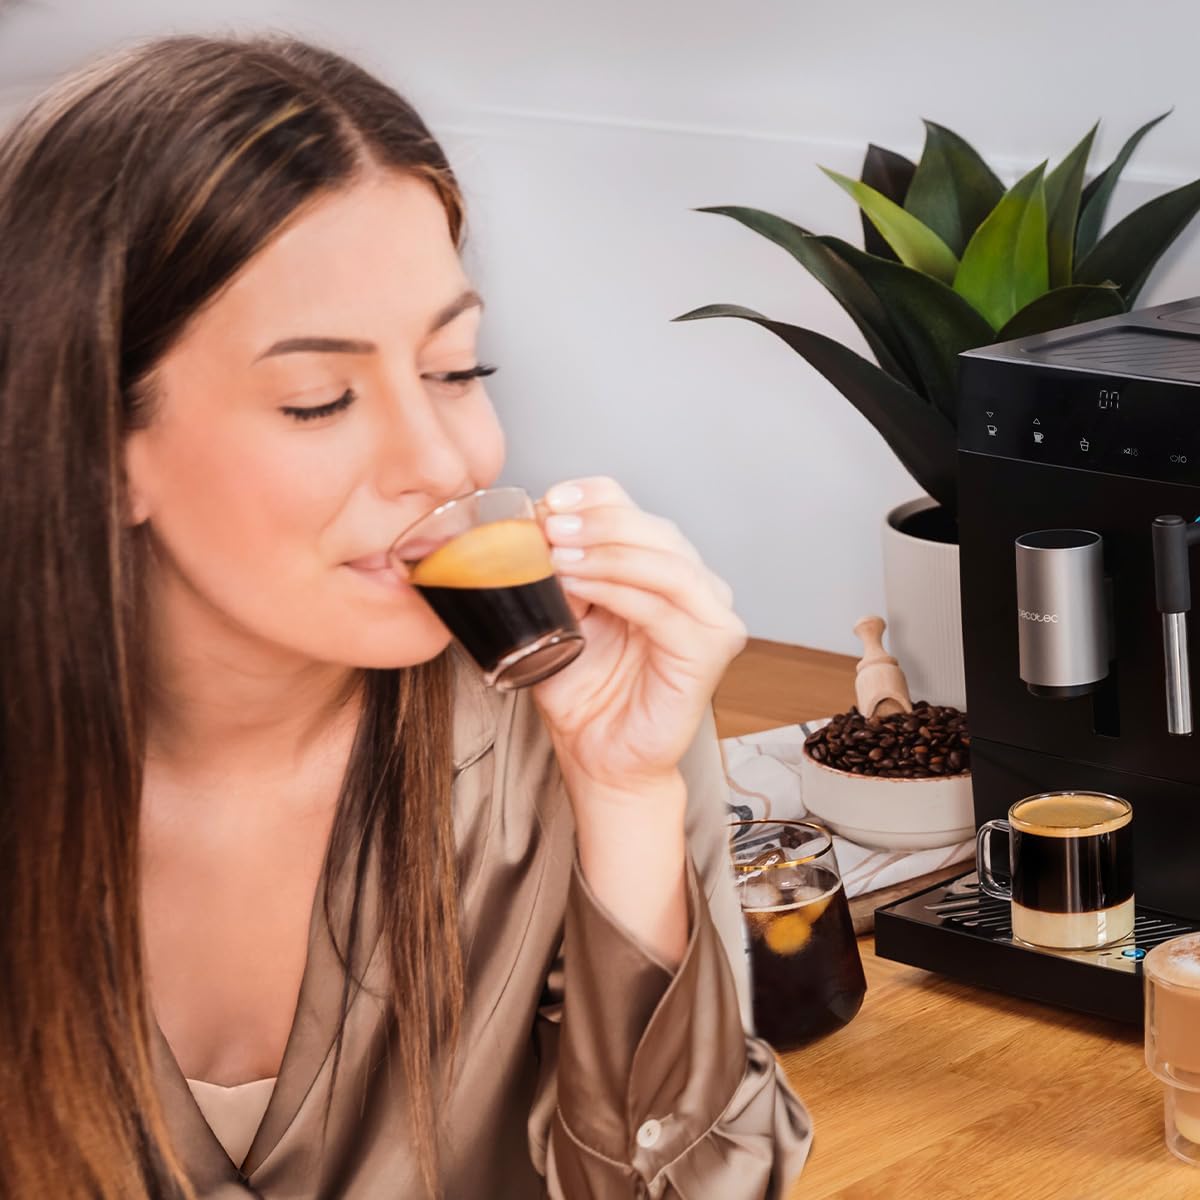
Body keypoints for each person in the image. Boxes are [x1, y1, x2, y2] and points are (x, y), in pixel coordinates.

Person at [0, 34, 813, 1199]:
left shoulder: (567, 717)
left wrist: (628, 802)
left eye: (455, 370)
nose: (442, 461)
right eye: (318, 400)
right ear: (94, 441)